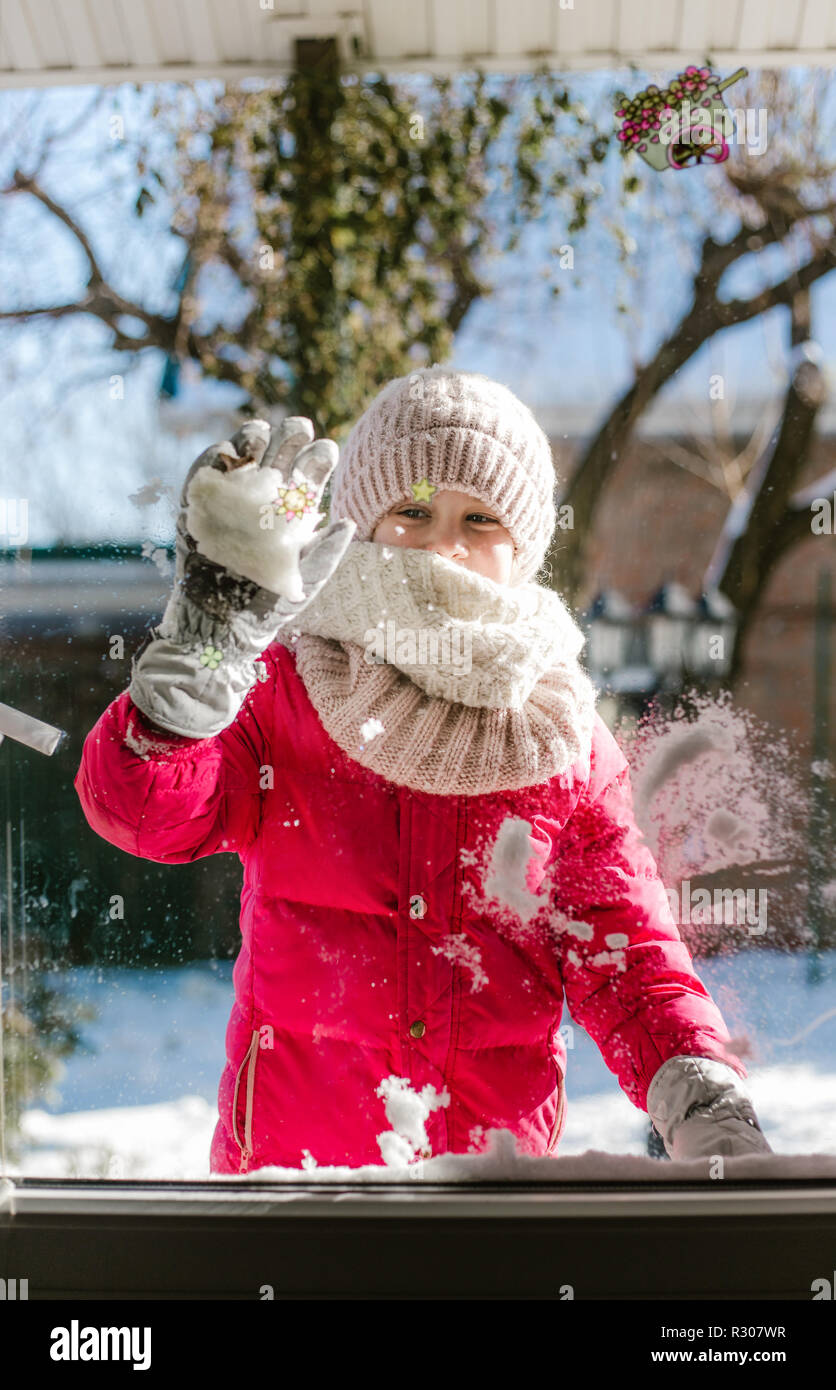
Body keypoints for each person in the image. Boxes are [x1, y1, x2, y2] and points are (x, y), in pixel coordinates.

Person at [74, 367, 772, 1174]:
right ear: (363, 527)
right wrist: (199, 662)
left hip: (484, 1210)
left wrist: (700, 1094)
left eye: (479, 518)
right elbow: (142, 811)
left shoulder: (564, 744)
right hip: (292, 1197)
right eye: (413, 509)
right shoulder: (281, 690)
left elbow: (629, 961)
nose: (444, 543)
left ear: (524, 549)